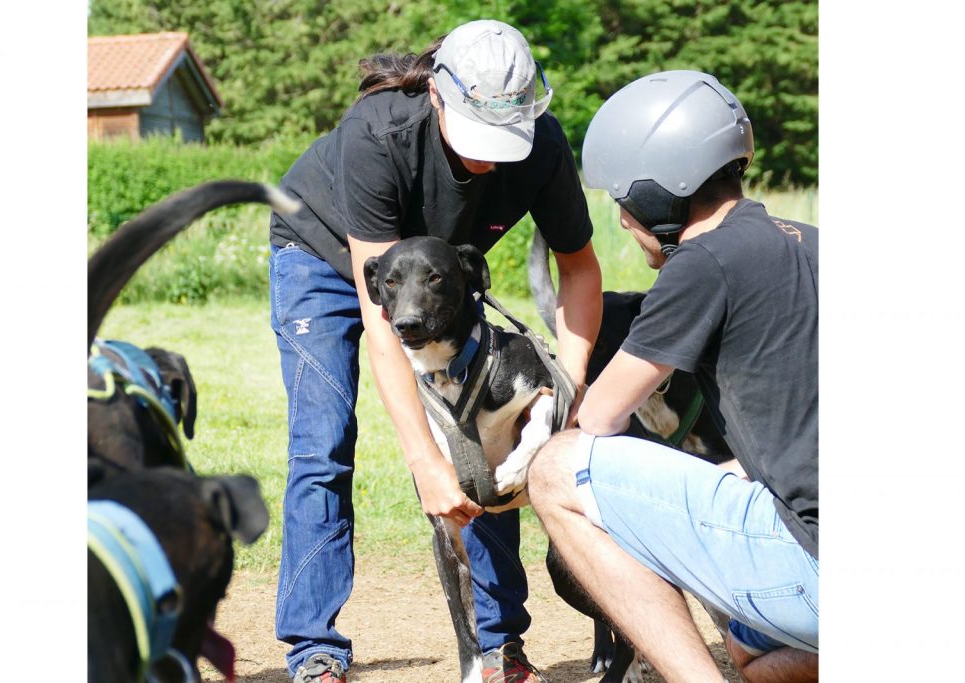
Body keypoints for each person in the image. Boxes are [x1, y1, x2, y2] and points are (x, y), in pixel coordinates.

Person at [266, 19, 602, 683]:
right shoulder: (379, 134)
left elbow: (580, 269)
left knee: (485, 433)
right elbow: (385, 316)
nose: (489, 161)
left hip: (438, 273)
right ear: (437, 98)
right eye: (478, 140)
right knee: (323, 442)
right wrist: (425, 462)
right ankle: (315, 649)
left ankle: (499, 648)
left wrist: (570, 391)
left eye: (504, 143)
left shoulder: (543, 145)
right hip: (324, 258)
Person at [527, 70, 819, 683]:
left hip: (816, 568)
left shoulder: (703, 261)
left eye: (624, 201)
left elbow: (600, 419)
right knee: (754, 658)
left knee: (556, 469)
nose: (623, 221)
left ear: (660, 191)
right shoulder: (816, 243)